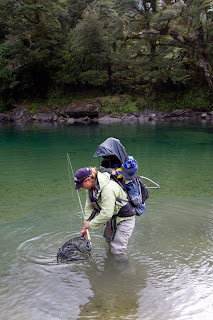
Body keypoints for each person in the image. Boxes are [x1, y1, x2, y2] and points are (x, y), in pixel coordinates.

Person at [74, 167, 135, 256]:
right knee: (108, 240)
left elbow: (107, 213)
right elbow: (89, 207)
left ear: (88, 180)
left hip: (125, 219)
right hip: (112, 217)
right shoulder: (91, 188)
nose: (81, 187)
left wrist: (91, 224)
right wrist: (85, 227)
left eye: (81, 185)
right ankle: (110, 264)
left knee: (118, 250)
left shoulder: (107, 189)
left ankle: (123, 268)